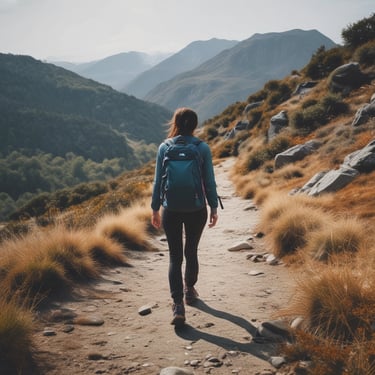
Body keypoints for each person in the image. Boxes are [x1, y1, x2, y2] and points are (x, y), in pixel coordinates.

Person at [151, 107, 219, 327]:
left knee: (174, 257)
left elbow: (157, 182)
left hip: (170, 209)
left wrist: (155, 208)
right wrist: (214, 207)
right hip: (196, 208)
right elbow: (209, 181)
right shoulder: (203, 148)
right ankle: (190, 291)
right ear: (195, 124)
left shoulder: (164, 147)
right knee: (191, 251)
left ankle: (178, 306)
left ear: (176, 123)